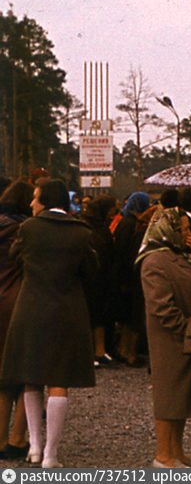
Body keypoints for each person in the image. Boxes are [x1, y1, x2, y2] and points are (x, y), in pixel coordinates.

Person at [0, 179, 97, 468]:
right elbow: (92, 272)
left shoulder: (28, 228)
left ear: (44, 200)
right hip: (67, 309)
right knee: (58, 382)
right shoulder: (81, 232)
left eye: (35, 198)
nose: (31, 203)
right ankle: (51, 455)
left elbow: (16, 255)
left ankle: (34, 447)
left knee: (31, 377)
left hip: (30, 307)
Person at [137, 201, 191, 468]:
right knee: (168, 397)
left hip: (185, 335)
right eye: (181, 228)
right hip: (169, 337)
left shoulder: (181, 254)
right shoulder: (153, 261)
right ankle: (163, 455)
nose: (187, 233)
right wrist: (185, 328)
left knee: (181, 397)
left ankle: (177, 451)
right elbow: (160, 305)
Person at [0, 181, 33, 461]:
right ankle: (17, 438)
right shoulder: (27, 230)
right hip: (19, 303)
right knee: (26, 374)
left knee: (1, 377)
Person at [112, 192, 153, 366]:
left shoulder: (124, 222)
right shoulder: (133, 225)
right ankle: (130, 353)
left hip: (124, 275)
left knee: (128, 317)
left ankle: (124, 349)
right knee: (134, 316)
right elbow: (129, 252)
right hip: (131, 275)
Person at [81, 194, 119, 368]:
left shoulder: (102, 225)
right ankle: (89, 353)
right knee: (89, 315)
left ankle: (100, 350)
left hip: (103, 277)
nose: (114, 212)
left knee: (100, 315)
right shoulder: (86, 226)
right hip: (90, 277)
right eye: (112, 208)